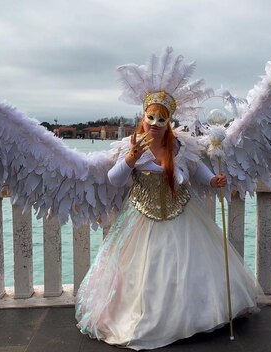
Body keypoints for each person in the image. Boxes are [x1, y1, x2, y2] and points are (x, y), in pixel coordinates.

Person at [75, 91, 261, 350]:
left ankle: (193, 317)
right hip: (141, 217)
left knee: (188, 267)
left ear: (168, 121)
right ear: (143, 117)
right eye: (150, 117)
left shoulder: (180, 146)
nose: (154, 123)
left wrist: (212, 180)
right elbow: (114, 180)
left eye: (160, 119)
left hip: (182, 213)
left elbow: (197, 169)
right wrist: (130, 159)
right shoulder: (133, 145)